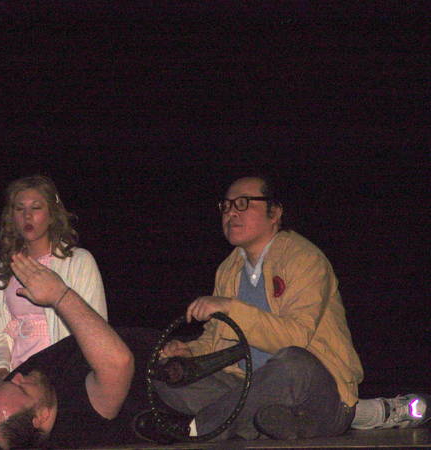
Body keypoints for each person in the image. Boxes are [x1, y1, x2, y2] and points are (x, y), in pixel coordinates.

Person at [135, 173, 365, 442]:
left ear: (274, 212)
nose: (231, 212)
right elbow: (216, 339)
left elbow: (295, 338)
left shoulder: (304, 258)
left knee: (293, 363)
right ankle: (258, 423)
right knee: (166, 375)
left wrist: (230, 308)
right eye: (226, 205)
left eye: (243, 203)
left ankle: (194, 429)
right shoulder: (229, 269)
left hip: (315, 392)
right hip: (250, 389)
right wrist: (189, 351)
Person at [0, 252, 138, 449]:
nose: (17, 376)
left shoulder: (41, 388)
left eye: (9, 381)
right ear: (41, 417)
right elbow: (118, 364)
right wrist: (58, 295)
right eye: (21, 388)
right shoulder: (77, 419)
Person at [0, 175, 108, 381]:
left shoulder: (78, 262)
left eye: (36, 208)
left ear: (51, 215)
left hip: (61, 377)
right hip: (17, 378)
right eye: (20, 209)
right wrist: (3, 375)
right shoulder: (2, 268)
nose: (27, 216)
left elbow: (96, 329)